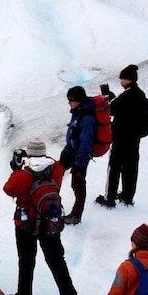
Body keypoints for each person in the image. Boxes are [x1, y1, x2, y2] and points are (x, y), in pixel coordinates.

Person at [3, 138, 81, 295]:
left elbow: (9, 190)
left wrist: (16, 170)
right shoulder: (57, 168)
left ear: (29, 154)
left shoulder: (22, 175)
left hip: (26, 224)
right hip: (50, 222)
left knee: (26, 262)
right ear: (44, 152)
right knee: (57, 261)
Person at [96, 64, 148, 208]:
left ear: (128, 80)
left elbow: (112, 109)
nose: (121, 82)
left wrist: (108, 95)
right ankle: (127, 197)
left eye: (122, 79)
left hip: (120, 138)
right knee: (131, 168)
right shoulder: (141, 95)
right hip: (134, 139)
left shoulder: (126, 96)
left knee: (114, 167)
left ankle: (110, 198)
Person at [61, 86, 96, 225]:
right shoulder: (78, 111)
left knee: (78, 184)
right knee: (56, 175)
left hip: (79, 156)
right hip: (70, 151)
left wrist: (79, 164)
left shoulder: (87, 118)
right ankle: (51, 205)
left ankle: (76, 215)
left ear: (79, 100)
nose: (69, 103)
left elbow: (86, 143)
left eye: (71, 100)